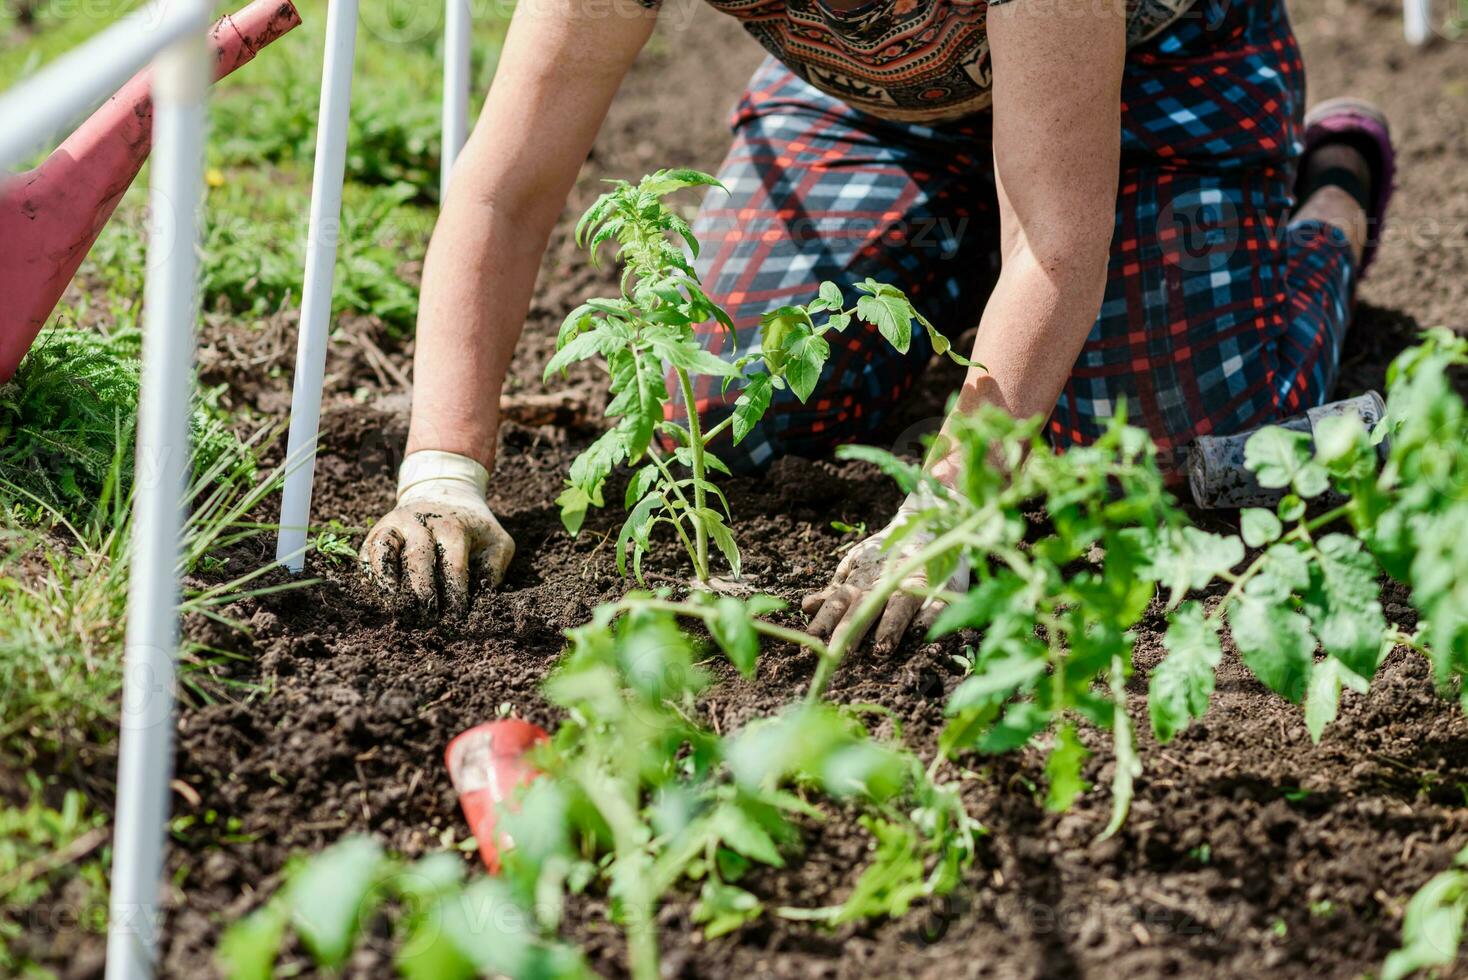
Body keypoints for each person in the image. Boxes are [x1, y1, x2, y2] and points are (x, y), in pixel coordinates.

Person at [360, 0, 1397, 648]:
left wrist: (946, 506)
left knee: (1150, 454)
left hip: (1160, 89)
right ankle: (963, 272)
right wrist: (443, 469)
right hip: (874, 111)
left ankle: (1328, 201)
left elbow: (1054, 241)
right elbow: (506, 190)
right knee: (723, 411)